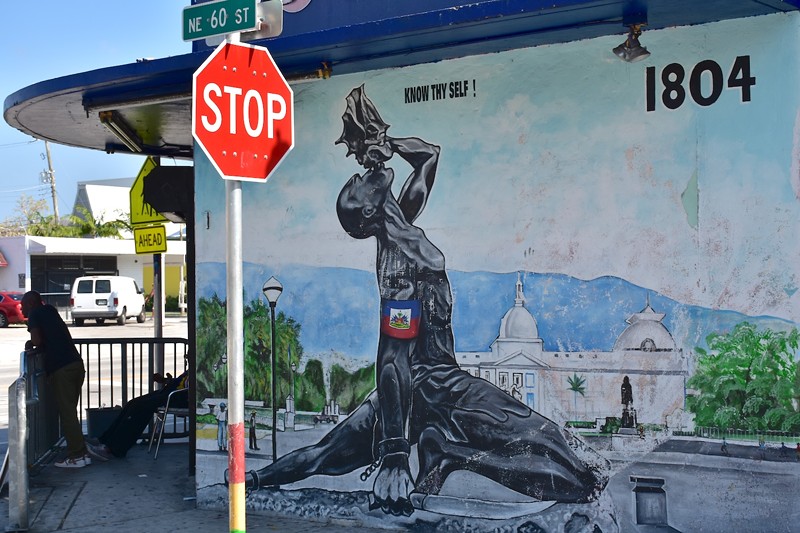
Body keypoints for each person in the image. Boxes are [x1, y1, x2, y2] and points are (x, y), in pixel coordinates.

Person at [246, 86, 608, 515]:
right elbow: (392, 357)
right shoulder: (398, 265)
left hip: (421, 391)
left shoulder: (403, 222)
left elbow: (429, 155)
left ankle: (253, 478)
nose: (362, 173)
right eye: (358, 184)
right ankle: (449, 455)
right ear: (368, 212)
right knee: (586, 472)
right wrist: (396, 453)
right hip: (435, 389)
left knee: (326, 453)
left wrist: (386, 144)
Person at [21, 291, 91, 468]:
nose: (21, 309)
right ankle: (81, 451)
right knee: (70, 412)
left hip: (61, 369)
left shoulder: (35, 313)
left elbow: (36, 339)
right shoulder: (50, 310)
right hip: (76, 364)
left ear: (30, 303)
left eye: (23, 305)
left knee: (67, 414)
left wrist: (31, 344)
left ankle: (77, 456)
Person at [91, 371, 188, 458]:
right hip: (171, 392)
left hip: (178, 397)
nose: (187, 358)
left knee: (140, 409)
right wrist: (166, 380)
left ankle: (114, 447)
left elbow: (188, 385)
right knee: (132, 403)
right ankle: (105, 439)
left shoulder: (198, 368)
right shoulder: (191, 368)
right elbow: (181, 382)